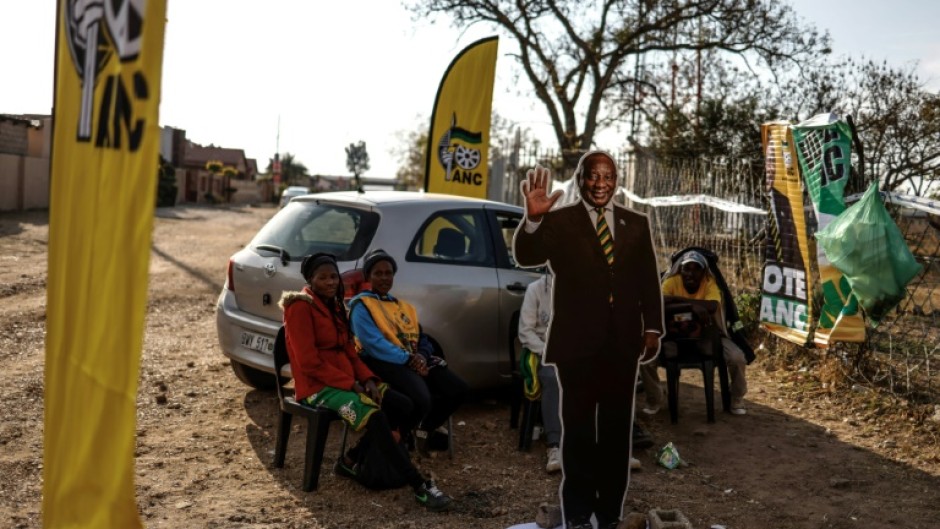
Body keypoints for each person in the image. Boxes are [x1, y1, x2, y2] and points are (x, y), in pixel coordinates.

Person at [512, 151, 664, 529]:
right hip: (577, 346)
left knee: (616, 433)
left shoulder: (636, 223)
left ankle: (610, 513)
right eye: (592, 176)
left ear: (617, 180)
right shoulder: (560, 220)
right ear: (580, 179)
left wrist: (652, 328)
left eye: (608, 176)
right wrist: (532, 219)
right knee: (578, 432)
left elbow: (648, 279)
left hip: (622, 345)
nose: (600, 183)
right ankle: (578, 515)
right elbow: (526, 255)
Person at [279, 253, 452, 511]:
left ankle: (351, 459)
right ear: (310, 280)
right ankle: (419, 486)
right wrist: (352, 384)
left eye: (334, 277)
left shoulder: (335, 306)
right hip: (317, 387)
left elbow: (350, 351)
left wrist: (368, 379)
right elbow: (308, 364)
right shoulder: (300, 306)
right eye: (322, 277)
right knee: (376, 416)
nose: (330, 282)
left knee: (406, 405)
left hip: (347, 380)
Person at [519, 272, 645, 474]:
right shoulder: (535, 289)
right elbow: (526, 331)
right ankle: (556, 446)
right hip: (544, 351)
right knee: (553, 378)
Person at [348, 248, 469, 453]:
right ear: (368, 276)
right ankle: (399, 437)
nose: (384, 277)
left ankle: (423, 428)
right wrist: (410, 359)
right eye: (378, 273)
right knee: (422, 399)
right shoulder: (362, 306)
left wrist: (421, 355)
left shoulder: (403, 307)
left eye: (388, 273)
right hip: (382, 362)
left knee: (458, 389)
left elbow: (421, 337)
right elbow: (374, 344)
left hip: (411, 359)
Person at [640, 250, 750, 415]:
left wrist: (678, 302)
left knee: (737, 358)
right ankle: (654, 398)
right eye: (686, 269)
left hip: (710, 335)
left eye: (696, 269)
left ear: (703, 271)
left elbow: (712, 306)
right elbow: (660, 302)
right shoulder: (672, 281)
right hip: (672, 334)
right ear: (681, 270)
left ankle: (736, 398)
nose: (690, 273)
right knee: (646, 358)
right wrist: (694, 306)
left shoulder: (710, 283)